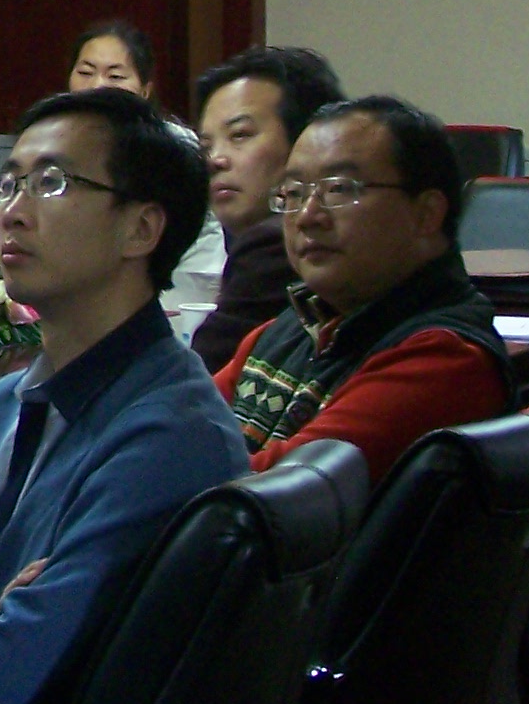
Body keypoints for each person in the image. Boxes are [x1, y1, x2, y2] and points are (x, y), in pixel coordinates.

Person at [0, 88, 251, 704]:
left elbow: (3, 675)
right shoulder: (9, 403)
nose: (12, 213)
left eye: (52, 183)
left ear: (141, 229)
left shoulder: (171, 435)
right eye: (7, 185)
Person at [212, 93, 511, 481]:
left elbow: (275, 489)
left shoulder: (443, 360)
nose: (307, 216)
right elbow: (180, 427)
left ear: (426, 214)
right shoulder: (289, 328)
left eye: (339, 189)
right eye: (294, 193)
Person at [185, 44, 344, 373]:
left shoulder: (278, 244)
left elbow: (198, 377)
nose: (215, 160)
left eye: (240, 135)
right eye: (206, 145)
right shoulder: (241, 236)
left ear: (307, 142)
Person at [62, 16, 225, 320]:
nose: (97, 86)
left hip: (178, 294)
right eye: (85, 72)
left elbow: (197, 251)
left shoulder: (176, 148)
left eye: (115, 76)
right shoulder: (53, 145)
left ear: (145, 89)